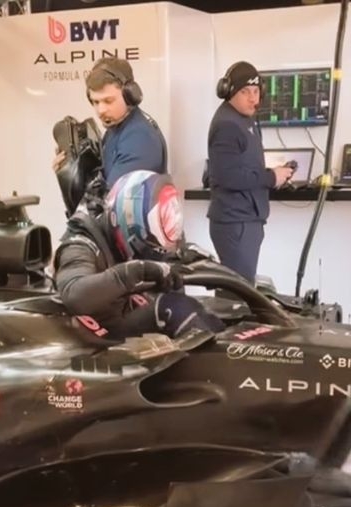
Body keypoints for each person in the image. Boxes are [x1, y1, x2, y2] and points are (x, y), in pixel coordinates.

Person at [54, 170, 224, 339]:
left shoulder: (124, 232)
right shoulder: (79, 245)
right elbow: (75, 296)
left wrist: (185, 257)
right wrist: (139, 270)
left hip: (128, 310)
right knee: (174, 308)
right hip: (98, 334)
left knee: (207, 311)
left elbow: (156, 257)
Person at [206, 61, 294, 284]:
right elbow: (227, 176)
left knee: (242, 288)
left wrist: (275, 175)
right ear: (228, 92)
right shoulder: (227, 125)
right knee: (238, 293)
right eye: (245, 92)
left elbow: (243, 166)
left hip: (246, 220)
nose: (253, 98)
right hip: (235, 223)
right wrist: (271, 177)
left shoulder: (245, 120)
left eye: (256, 91)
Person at [53, 57, 168, 192]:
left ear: (130, 96)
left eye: (108, 101)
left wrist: (73, 184)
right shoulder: (116, 129)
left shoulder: (140, 139)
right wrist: (69, 172)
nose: (101, 110)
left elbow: (110, 201)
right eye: (96, 102)